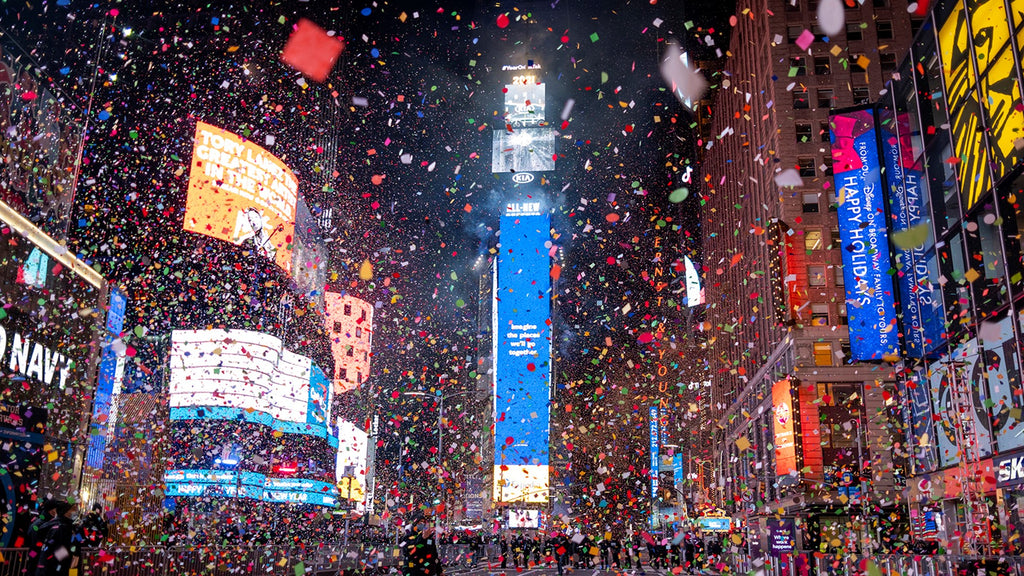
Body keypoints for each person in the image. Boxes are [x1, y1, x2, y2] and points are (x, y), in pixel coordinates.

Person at [34, 499, 78, 576]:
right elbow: (56, 552)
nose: (76, 512)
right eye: (73, 509)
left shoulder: (69, 527)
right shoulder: (60, 528)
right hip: (56, 570)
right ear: (66, 511)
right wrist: (71, 556)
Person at [23, 498, 57, 575]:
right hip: (38, 558)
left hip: (37, 558)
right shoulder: (42, 524)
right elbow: (35, 544)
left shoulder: (41, 522)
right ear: (51, 510)